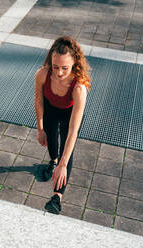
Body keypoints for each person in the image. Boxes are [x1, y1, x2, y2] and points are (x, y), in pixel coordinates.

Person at [34, 36, 91, 214]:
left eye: (65, 68)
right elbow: (38, 101)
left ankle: (57, 197)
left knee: (67, 150)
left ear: (74, 63)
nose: (59, 73)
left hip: (69, 114)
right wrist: (40, 128)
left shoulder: (79, 88)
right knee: (51, 142)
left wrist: (63, 164)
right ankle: (53, 161)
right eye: (55, 66)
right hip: (51, 109)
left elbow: (73, 131)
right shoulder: (42, 74)